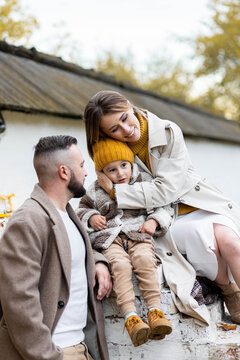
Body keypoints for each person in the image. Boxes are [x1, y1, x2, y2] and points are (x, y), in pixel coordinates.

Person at [83, 90, 240, 325]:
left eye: (125, 118)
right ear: (105, 134)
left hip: (197, 202)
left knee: (231, 242)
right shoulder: (112, 153)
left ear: (128, 104)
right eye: (114, 129)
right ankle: (230, 292)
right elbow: (95, 198)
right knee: (209, 244)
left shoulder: (167, 131)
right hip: (166, 217)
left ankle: (233, 291)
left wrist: (118, 192)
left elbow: (165, 189)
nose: (126, 130)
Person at [0, 135, 112, 360]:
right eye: (81, 166)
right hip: (54, 352)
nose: (86, 172)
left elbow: (66, 253)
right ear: (64, 172)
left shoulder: (69, 216)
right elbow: (19, 302)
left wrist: (97, 261)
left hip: (81, 347)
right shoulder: (27, 221)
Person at [77, 138, 173, 346]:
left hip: (138, 235)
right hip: (109, 240)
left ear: (131, 164)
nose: (120, 174)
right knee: (119, 266)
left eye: (124, 166)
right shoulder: (94, 190)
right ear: (101, 173)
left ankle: (155, 311)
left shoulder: (143, 184)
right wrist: (92, 217)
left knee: (145, 261)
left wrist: (154, 221)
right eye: (112, 170)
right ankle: (131, 317)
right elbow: (82, 209)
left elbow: (164, 206)